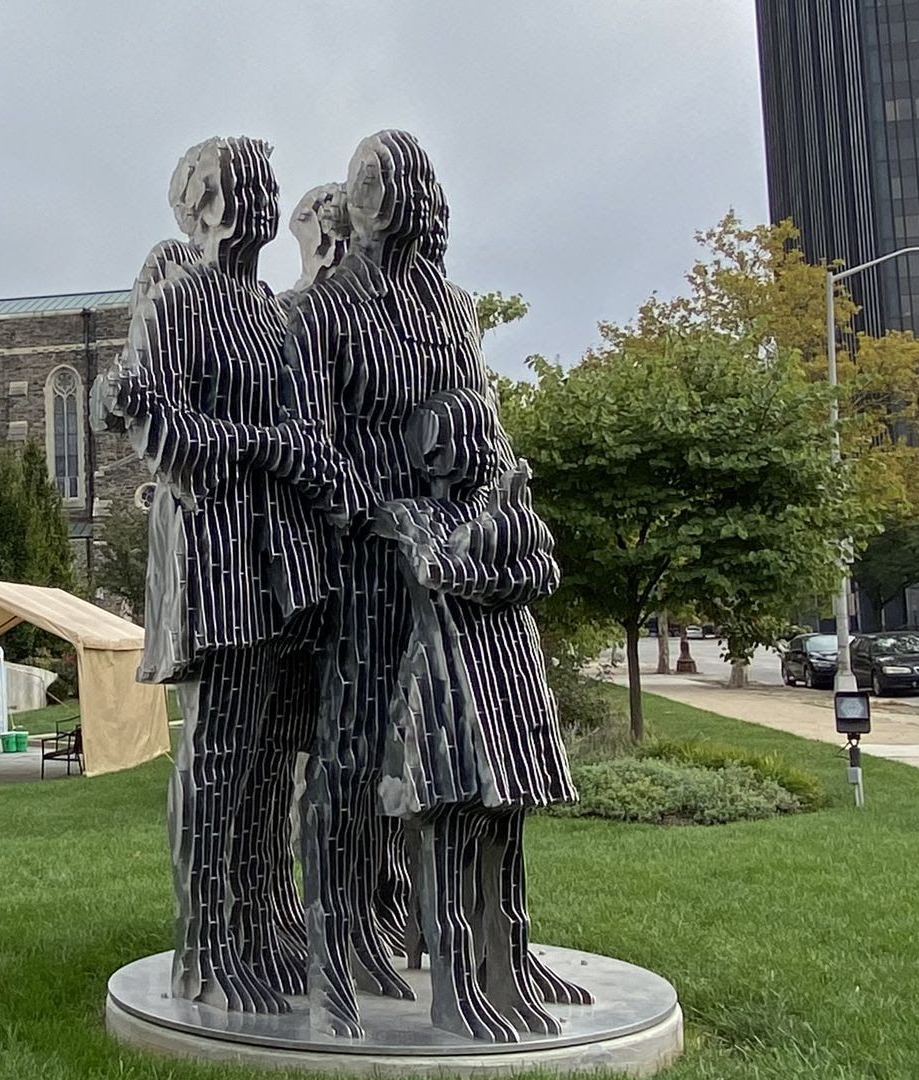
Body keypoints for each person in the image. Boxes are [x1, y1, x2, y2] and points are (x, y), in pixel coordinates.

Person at [284, 130, 586, 1041]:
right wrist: (381, 516)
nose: (385, 201)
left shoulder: (454, 310)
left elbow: (482, 423)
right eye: (371, 186)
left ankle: (500, 955)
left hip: (454, 565)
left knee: (471, 767)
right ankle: (331, 951)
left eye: (398, 186)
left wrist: (488, 515)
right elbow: (310, 446)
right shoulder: (323, 311)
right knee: (349, 753)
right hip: (367, 564)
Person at [107, 136, 335, 1014]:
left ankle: (263, 919)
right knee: (223, 746)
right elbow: (154, 424)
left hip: (283, 551)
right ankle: (210, 942)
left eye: (264, 184)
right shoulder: (182, 302)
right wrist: (260, 446)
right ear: (202, 205)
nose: (257, 199)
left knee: (274, 751)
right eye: (241, 185)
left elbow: (309, 432)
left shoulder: (273, 314)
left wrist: (288, 456)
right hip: (216, 545)